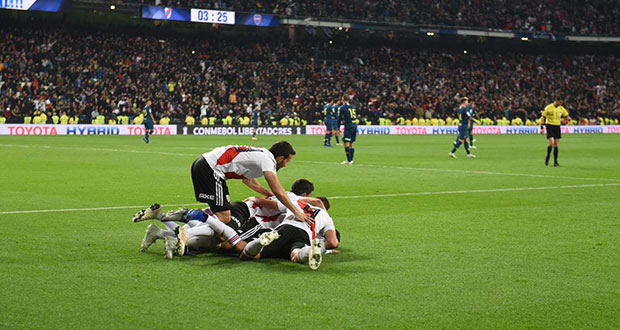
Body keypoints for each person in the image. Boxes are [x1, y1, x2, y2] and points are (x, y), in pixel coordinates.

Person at [191, 141, 313, 229]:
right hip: (211, 169)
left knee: (220, 212)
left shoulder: (262, 154)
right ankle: (189, 215)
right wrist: (297, 212)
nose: (285, 165)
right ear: (281, 158)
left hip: (205, 164)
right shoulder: (268, 160)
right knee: (224, 218)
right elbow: (278, 190)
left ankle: (190, 224)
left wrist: (269, 195)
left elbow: (249, 181)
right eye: (287, 161)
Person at [240, 197, 339, 270]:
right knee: (296, 255)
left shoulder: (297, 203)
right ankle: (310, 250)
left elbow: (271, 205)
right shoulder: (326, 216)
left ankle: (259, 242)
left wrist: (255, 199)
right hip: (304, 235)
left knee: (247, 256)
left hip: (285, 228)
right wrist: (324, 248)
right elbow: (333, 243)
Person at [541, 96, 570, 166]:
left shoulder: (561, 108)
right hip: (549, 125)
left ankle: (555, 162)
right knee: (551, 143)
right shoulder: (549, 107)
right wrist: (542, 128)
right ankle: (548, 157)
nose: (561, 103)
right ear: (556, 101)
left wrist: (568, 119)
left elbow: (566, 116)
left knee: (556, 144)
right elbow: (543, 117)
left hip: (557, 126)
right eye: (560, 102)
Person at [338, 95, 358, 164]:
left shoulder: (342, 107)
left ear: (343, 99)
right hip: (354, 125)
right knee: (351, 142)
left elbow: (339, 119)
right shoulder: (352, 107)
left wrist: (338, 128)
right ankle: (351, 160)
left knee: (346, 142)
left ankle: (349, 160)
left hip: (349, 126)